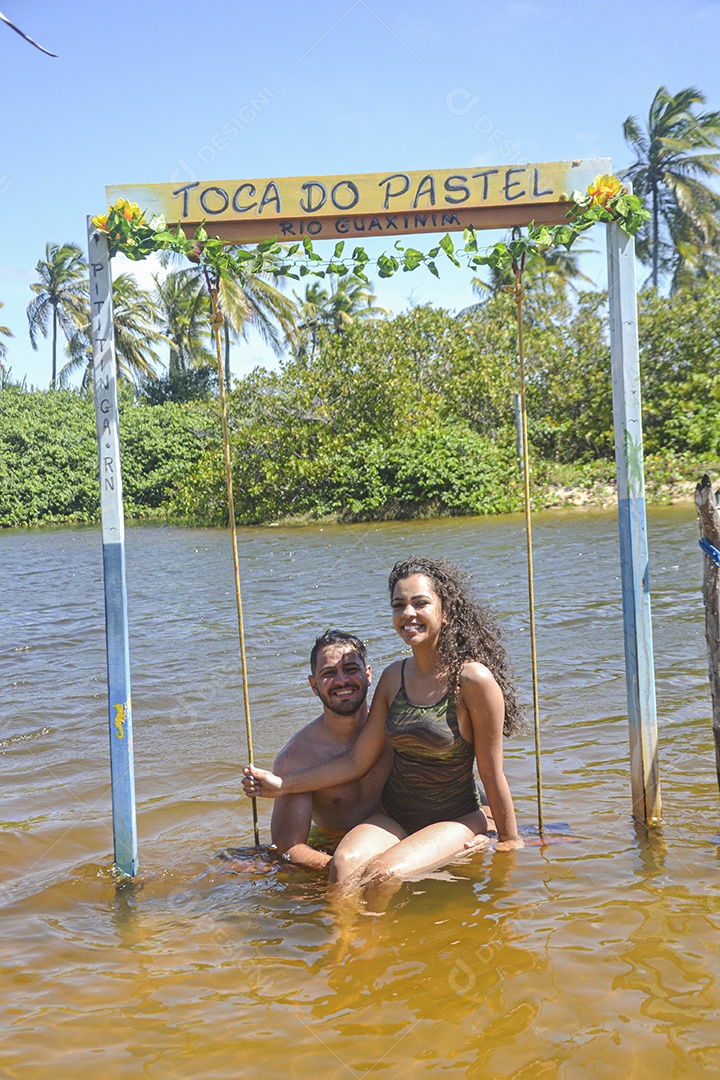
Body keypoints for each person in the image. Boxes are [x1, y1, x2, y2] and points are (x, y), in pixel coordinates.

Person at [243, 557, 524, 899]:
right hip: (395, 816)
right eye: (399, 605)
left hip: (455, 817)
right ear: (313, 684)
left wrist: (506, 840)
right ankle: (343, 948)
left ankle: (374, 945)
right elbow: (357, 761)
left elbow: (491, 774)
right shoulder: (393, 678)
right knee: (344, 864)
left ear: (445, 611)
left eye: (420, 603)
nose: (408, 613)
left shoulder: (473, 680)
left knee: (381, 874)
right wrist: (281, 785)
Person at [268, 629, 393, 872]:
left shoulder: (397, 732)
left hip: (396, 839)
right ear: (313, 686)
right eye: (328, 674)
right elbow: (287, 847)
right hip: (333, 849)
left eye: (351, 669)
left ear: (368, 675)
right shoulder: (297, 759)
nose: (341, 680)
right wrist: (343, 868)